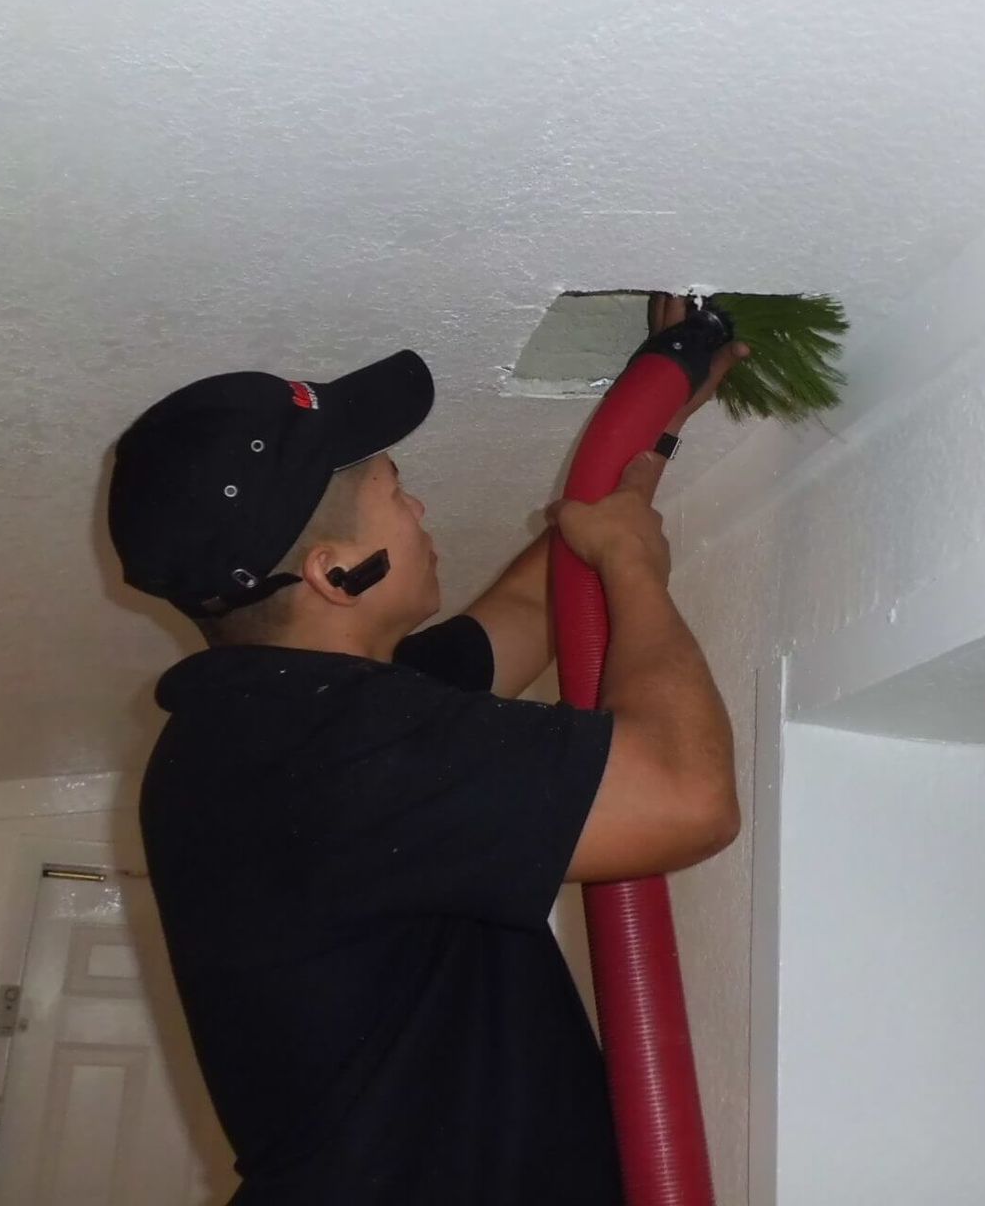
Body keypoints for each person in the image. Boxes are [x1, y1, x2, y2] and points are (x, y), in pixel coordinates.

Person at [104, 295, 750, 1204]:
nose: (418, 505)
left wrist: (647, 438)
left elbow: (529, 617)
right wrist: (639, 568)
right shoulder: (318, 747)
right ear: (335, 572)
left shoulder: (280, 728)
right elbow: (687, 797)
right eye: (394, 490)